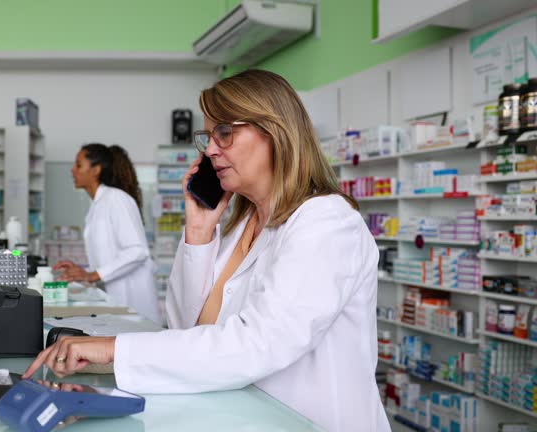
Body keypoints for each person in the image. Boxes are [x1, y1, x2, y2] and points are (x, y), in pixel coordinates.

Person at [24, 70, 389, 431]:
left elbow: (258, 343)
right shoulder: (241, 230)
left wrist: (114, 349)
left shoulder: (325, 222)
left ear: (275, 132)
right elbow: (187, 330)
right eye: (209, 136)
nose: (211, 149)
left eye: (225, 133)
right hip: (243, 415)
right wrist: (198, 229)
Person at [53, 143, 162, 324]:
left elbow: (137, 251)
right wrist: (83, 272)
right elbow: (110, 260)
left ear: (95, 170)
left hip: (133, 303)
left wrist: (92, 275)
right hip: (116, 303)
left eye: (78, 165)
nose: (72, 170)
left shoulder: (117, 199)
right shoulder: (98, 204)